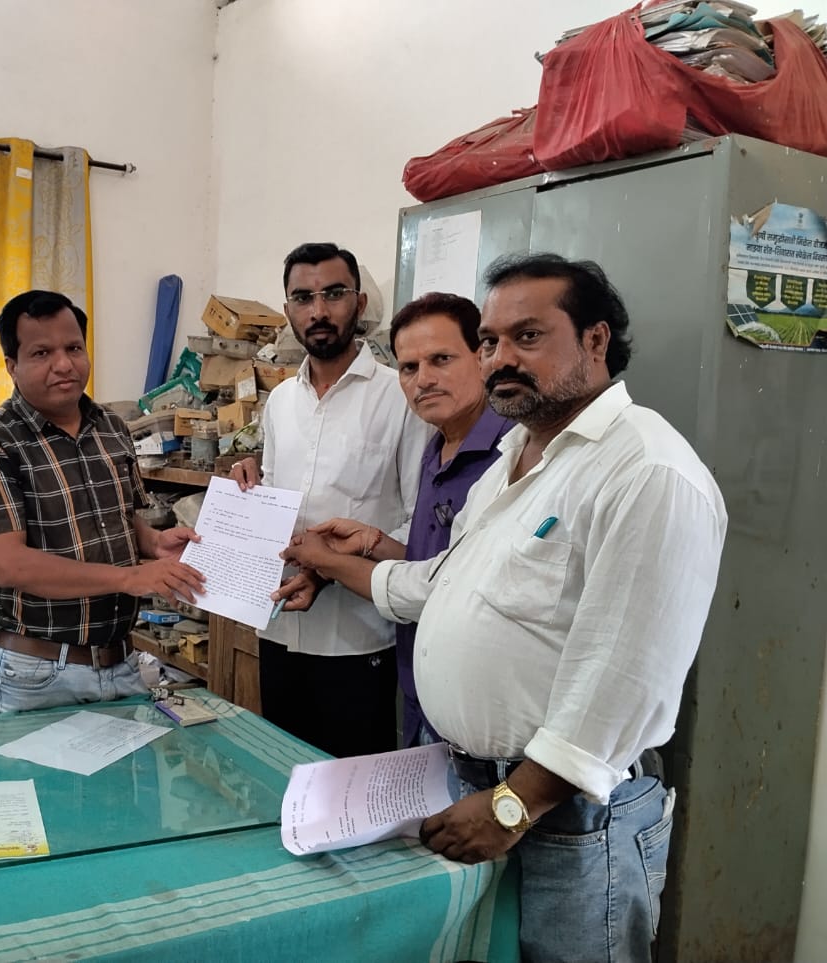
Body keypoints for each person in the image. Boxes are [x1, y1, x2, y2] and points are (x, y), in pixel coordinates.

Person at [285, 253, 727, 962]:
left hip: (566, 812)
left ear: (595, 340)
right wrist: (343, 560)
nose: (501, 359)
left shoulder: (647, 470)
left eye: (528, 336)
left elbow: (626, 680)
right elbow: (441, 583)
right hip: (478, 787)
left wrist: (513, 805)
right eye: (490, 341)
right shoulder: (516, 458)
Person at [0, 289, 205, 714]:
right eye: (41, 353)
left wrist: (154, 543)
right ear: (12, 366)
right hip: (37, 674)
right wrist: (129, 578)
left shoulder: (112, 428)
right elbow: (10, 566)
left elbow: (116, 516)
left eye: (73, 348)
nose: (64, 364)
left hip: (122, 662)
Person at [230, 242, 429, 758]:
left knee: (349, 786)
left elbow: (419, 524)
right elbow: (277, 500)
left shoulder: (399, 395)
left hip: (357, 640)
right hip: (280, 630)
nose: (318, 310)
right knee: (285, 775)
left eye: (334, 294)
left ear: (359, 304)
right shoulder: (280, 401)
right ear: (288, 310)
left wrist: (330, 569)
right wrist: (246, 493)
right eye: (303, 297)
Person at [307, 292, 513, 747]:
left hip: (482, 718)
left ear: (482, 357)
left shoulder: (511, 455)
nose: (424, 380)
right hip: (422, 691)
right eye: (409, 367)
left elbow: (448, 590)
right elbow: (431, 559)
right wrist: (373, 541)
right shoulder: (436, 449)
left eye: (441, 359)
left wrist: (328, 563)